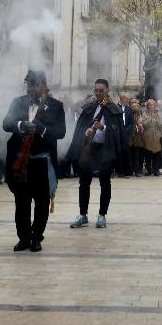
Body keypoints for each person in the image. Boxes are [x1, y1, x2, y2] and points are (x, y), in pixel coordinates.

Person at [3, 71, 66, 252]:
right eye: (29, 85)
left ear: (44, 86)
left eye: (34, 85)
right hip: (21, 161)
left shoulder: (55, 105)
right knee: (21, 202)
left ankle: (36, 237)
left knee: (41, 202)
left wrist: (42, 129)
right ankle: (23, 237)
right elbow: (6, 123)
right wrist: (21, 125)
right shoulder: (18, 102)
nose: (31, 89)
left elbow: (60, 132)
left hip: (42, 163)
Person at [66, 78, 124, 229]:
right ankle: (83, 215)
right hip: (89, 149)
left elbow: (118, 133)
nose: (98, 93)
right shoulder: (89, 108)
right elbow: (80, 128)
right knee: (84, 182)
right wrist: (86, 132)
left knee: (105, 183)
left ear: (107, 90)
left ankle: (102, 215)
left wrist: (103, 127)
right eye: (96, 90)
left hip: (105, 150)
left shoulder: (114, 109)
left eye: (101, 90)